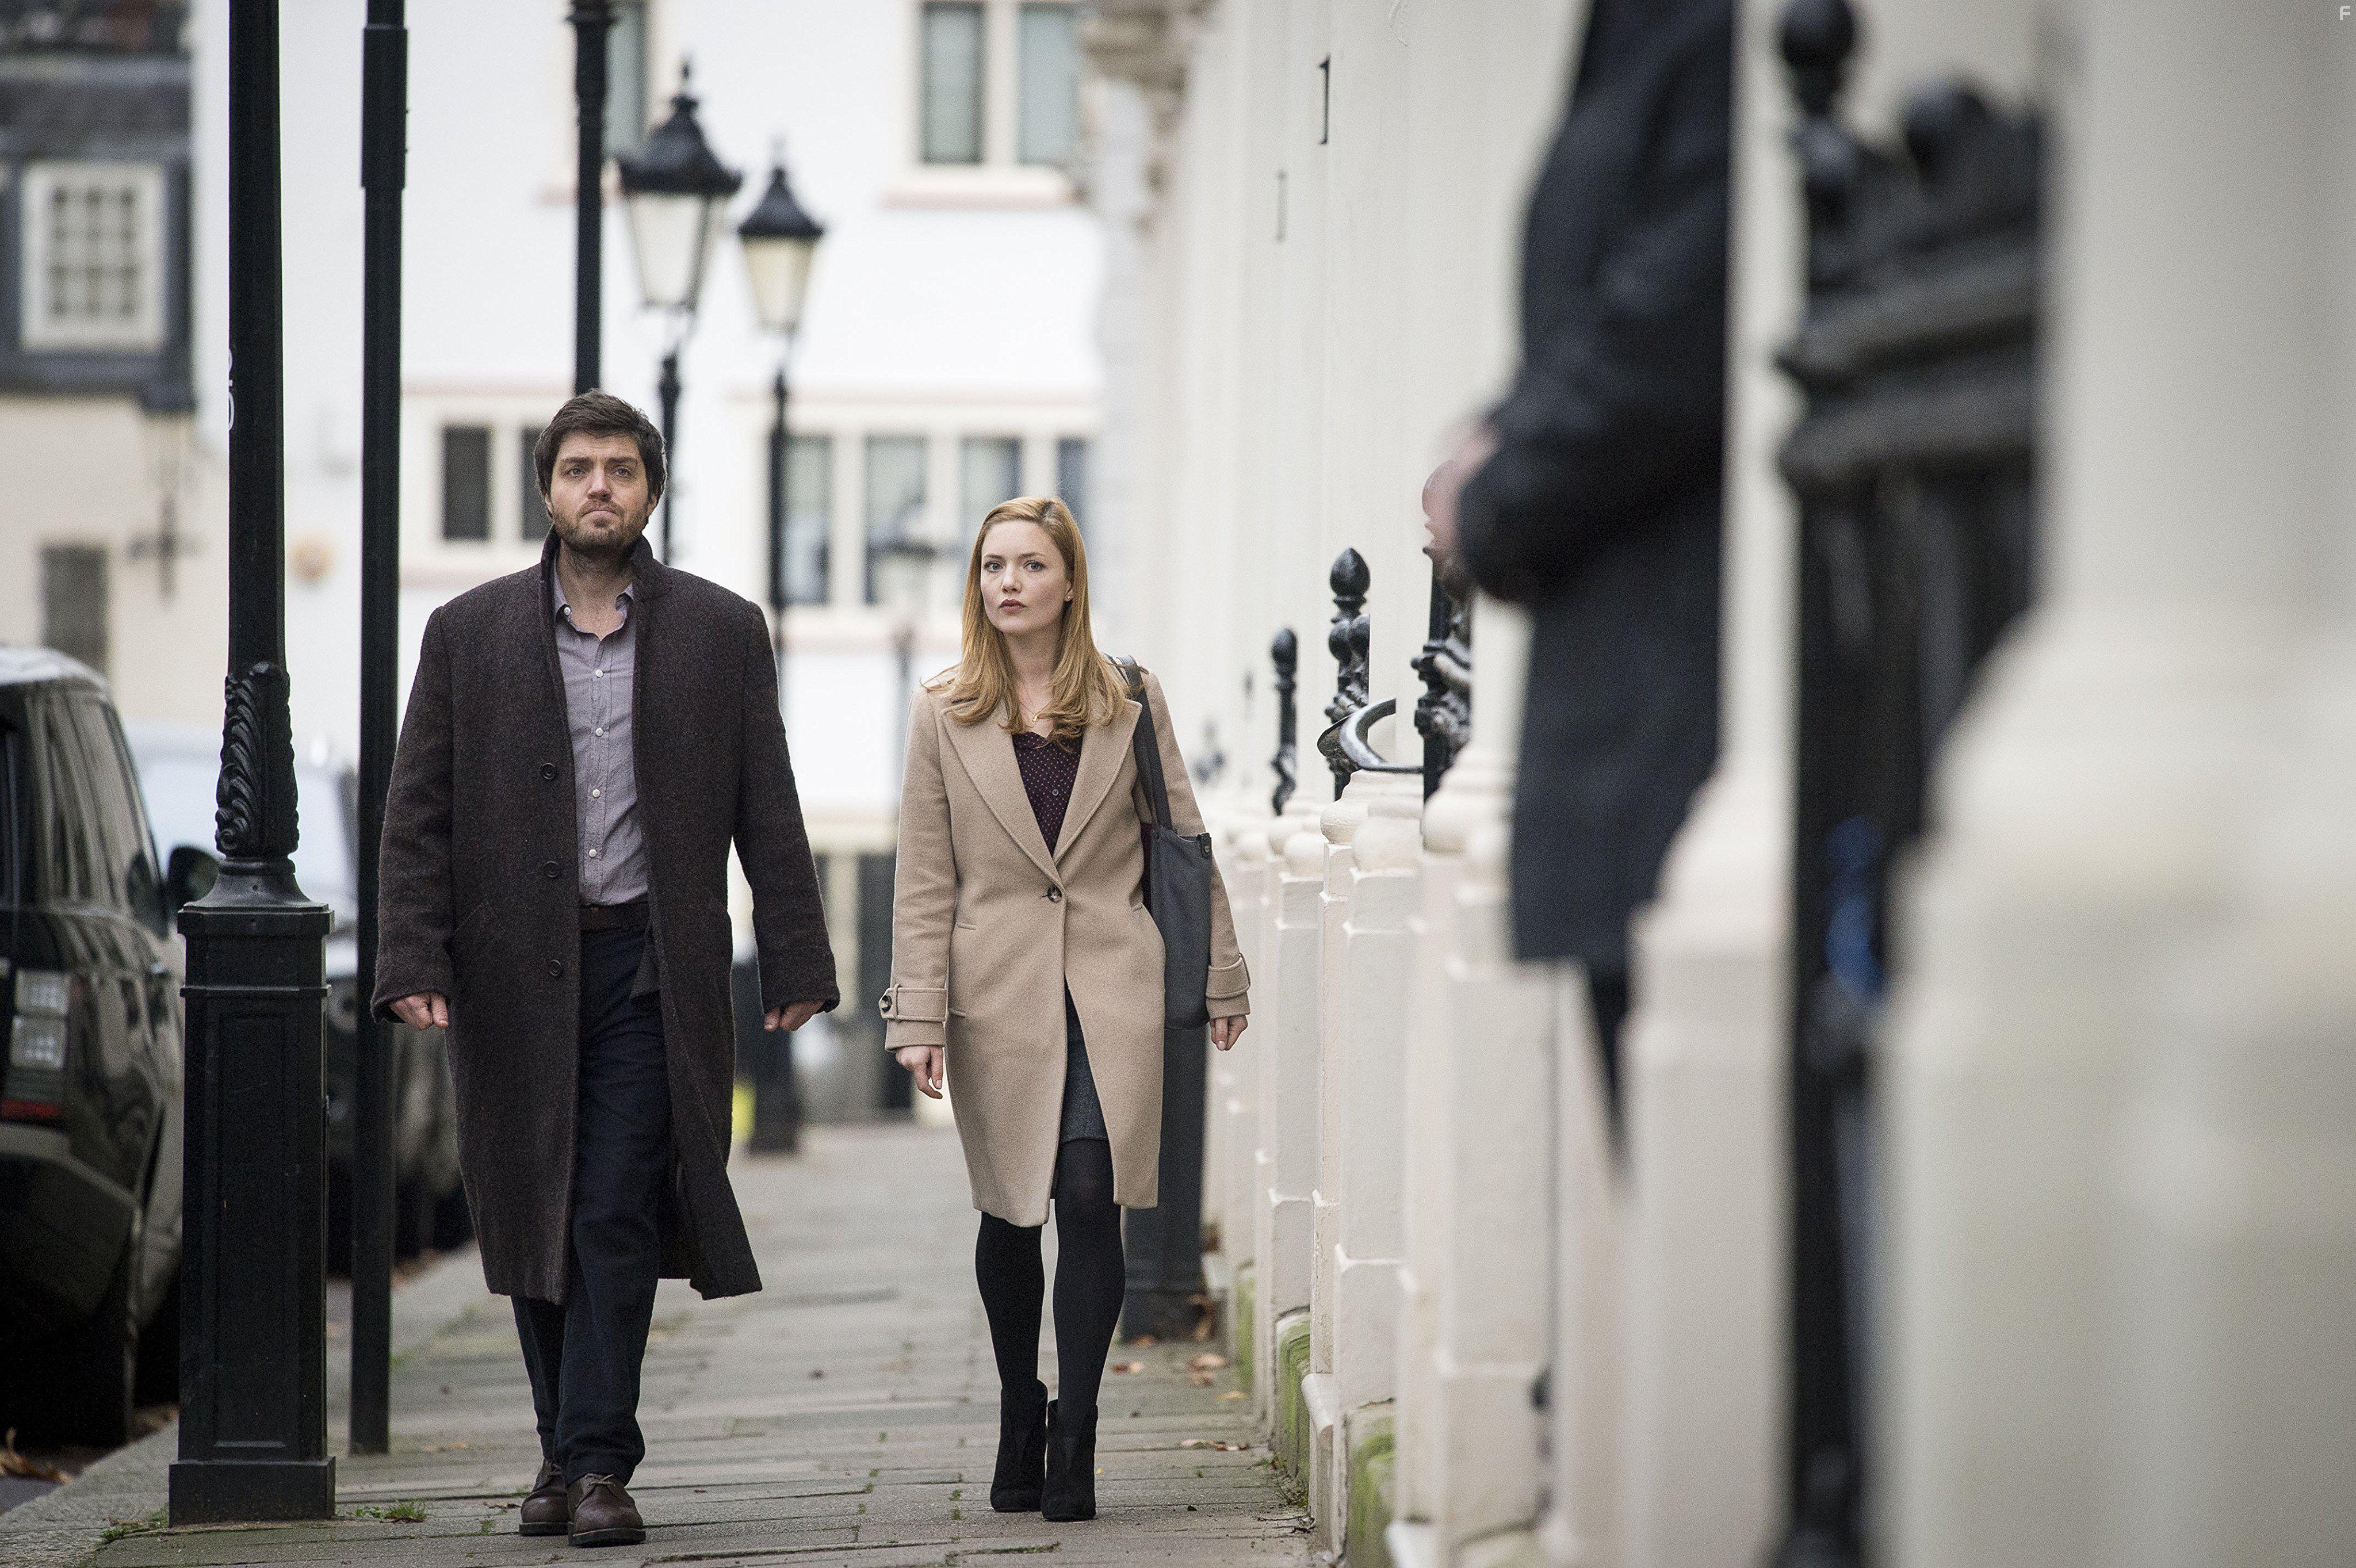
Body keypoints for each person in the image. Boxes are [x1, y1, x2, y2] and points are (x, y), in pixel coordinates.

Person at [373, 390, 837, 1550]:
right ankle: (559, 1445)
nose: (597, 487)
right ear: (546, 489)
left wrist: (795, 955)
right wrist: (412, 958)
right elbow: (415, 813)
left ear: (649, 490)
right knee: (534, 1204)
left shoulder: (720, 632)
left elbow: (766, 808)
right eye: (577, 468)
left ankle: (597, 1463)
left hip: (649, 967)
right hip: (509, 974)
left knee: (614, 1204)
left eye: (619, 470)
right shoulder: (467, 634)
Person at [882, 496, 1250, 1523]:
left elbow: (1185, 838)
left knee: (1091, 1192)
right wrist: (916, 1013)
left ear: (1069, 581)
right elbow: (922, 876)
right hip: (996, 995)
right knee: (1013, 1207)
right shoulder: (944, 708)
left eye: (1029, 565)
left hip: (1112, 984)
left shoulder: (1130, 698)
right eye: (993, 565)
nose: (1007, 582)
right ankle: (1019, 1404)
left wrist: (1222, 975)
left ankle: (1078, 1430)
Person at [1425, 0, 1734, 1124]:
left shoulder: (1697, 41)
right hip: (1626, 706)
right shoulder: (1632, 36)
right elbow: (1597, 316)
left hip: (1680, 701)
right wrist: (1494, 440)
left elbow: (1667, 320)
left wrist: (1496, 489)